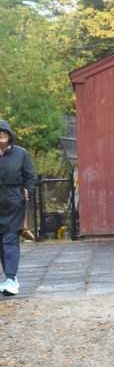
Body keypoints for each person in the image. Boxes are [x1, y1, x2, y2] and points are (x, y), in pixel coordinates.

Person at [0, 120, 35, 296]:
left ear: (9, 134)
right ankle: (11, 278)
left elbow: (29, 178)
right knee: (2, 242)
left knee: (10, 240)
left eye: (4, 131)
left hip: (15, 204)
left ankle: (10, 278)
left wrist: (26, 198)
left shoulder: (21, 153)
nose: (1, 133)